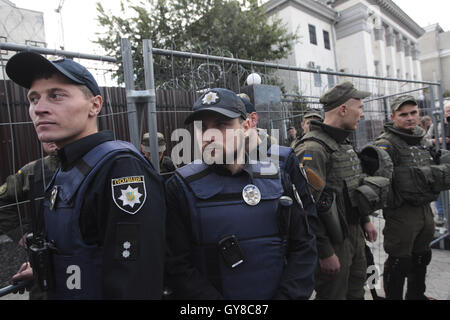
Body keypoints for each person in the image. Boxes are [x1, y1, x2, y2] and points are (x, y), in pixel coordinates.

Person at [5, 51, 165, 299]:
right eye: (33, 99)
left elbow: (134, 280)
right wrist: (48, 268)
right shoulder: (65, 167)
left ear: (95, 105)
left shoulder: (119, 168)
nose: (39, 109)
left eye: (56, 96)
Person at [165, 88, 317, 299]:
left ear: (246, 126)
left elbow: (303, 247)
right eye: (202, 128)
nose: (209, 136)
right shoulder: (180, 187)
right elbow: (178, 267)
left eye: (221, 125)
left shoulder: (277, 177)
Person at [295, 81, 381, 300]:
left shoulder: (343, 143)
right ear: (343, 109)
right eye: (359, 108)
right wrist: (325, 252)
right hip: (332, 240)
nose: (362, 114)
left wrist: (365, 221)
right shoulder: (313, 149)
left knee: (356, 291)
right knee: (333, 294)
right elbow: (306, 208)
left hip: (353, 233)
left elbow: (352, 186)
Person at [374, 95, 449, 300]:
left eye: (413, 113)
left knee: (422, 256)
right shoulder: (386, 144)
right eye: (403, 114)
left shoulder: (420, 137)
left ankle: (417, 296)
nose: (410, 118)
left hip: (424, 208)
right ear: (393, 116)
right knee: (399, 261)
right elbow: (381, 179)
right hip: (401, 212)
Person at [0, 142, 59, 242]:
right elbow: (2, 200)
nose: (49, 138)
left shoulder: (91, 165)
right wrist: (18, 232)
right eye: (44, 130)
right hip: (45, 247)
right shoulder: (33, 169)